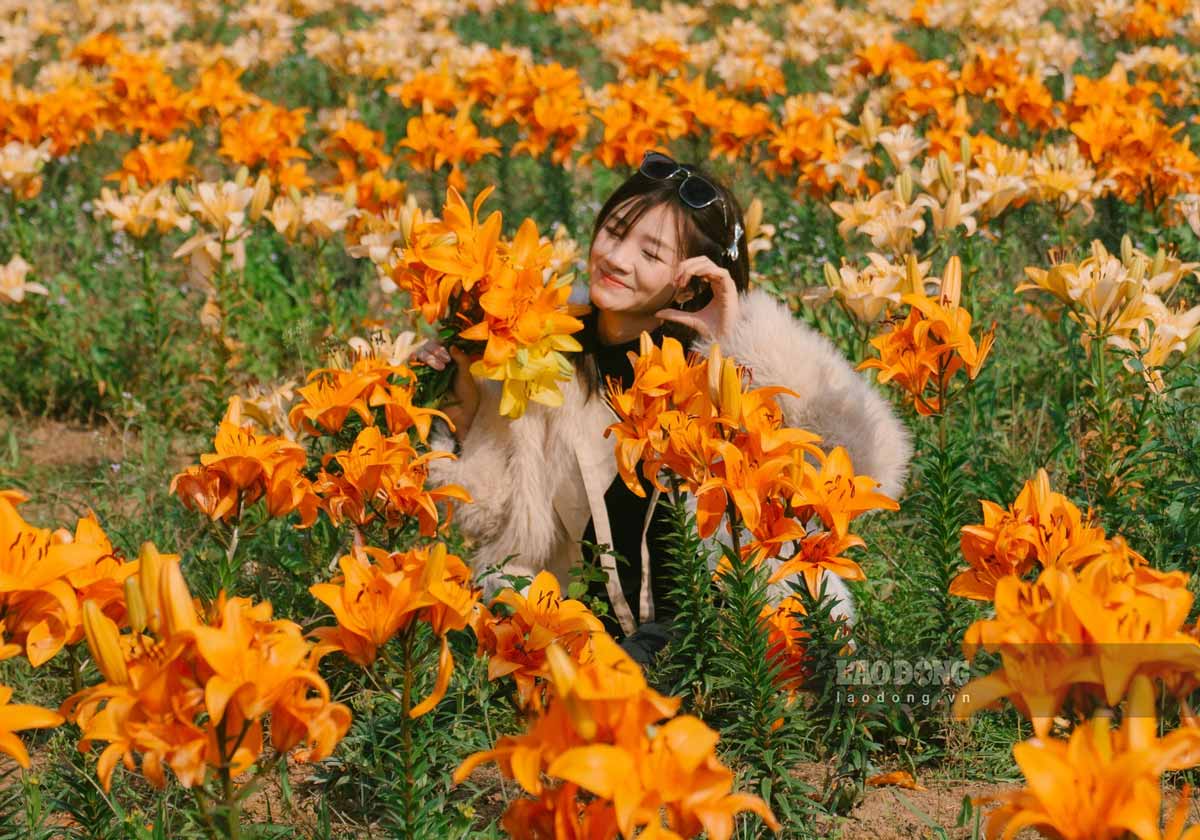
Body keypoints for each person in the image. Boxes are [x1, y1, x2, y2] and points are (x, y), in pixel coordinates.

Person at [416, 151, 912, 665]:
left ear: (694, 280)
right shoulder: (546, 360)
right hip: (589, 638)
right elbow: (485, 516)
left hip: (733, 636)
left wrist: (740, 341)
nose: (616, 257)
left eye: (651, 254)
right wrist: (461, 395)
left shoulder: (723, 364)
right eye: (613, 231)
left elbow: (865, 468)